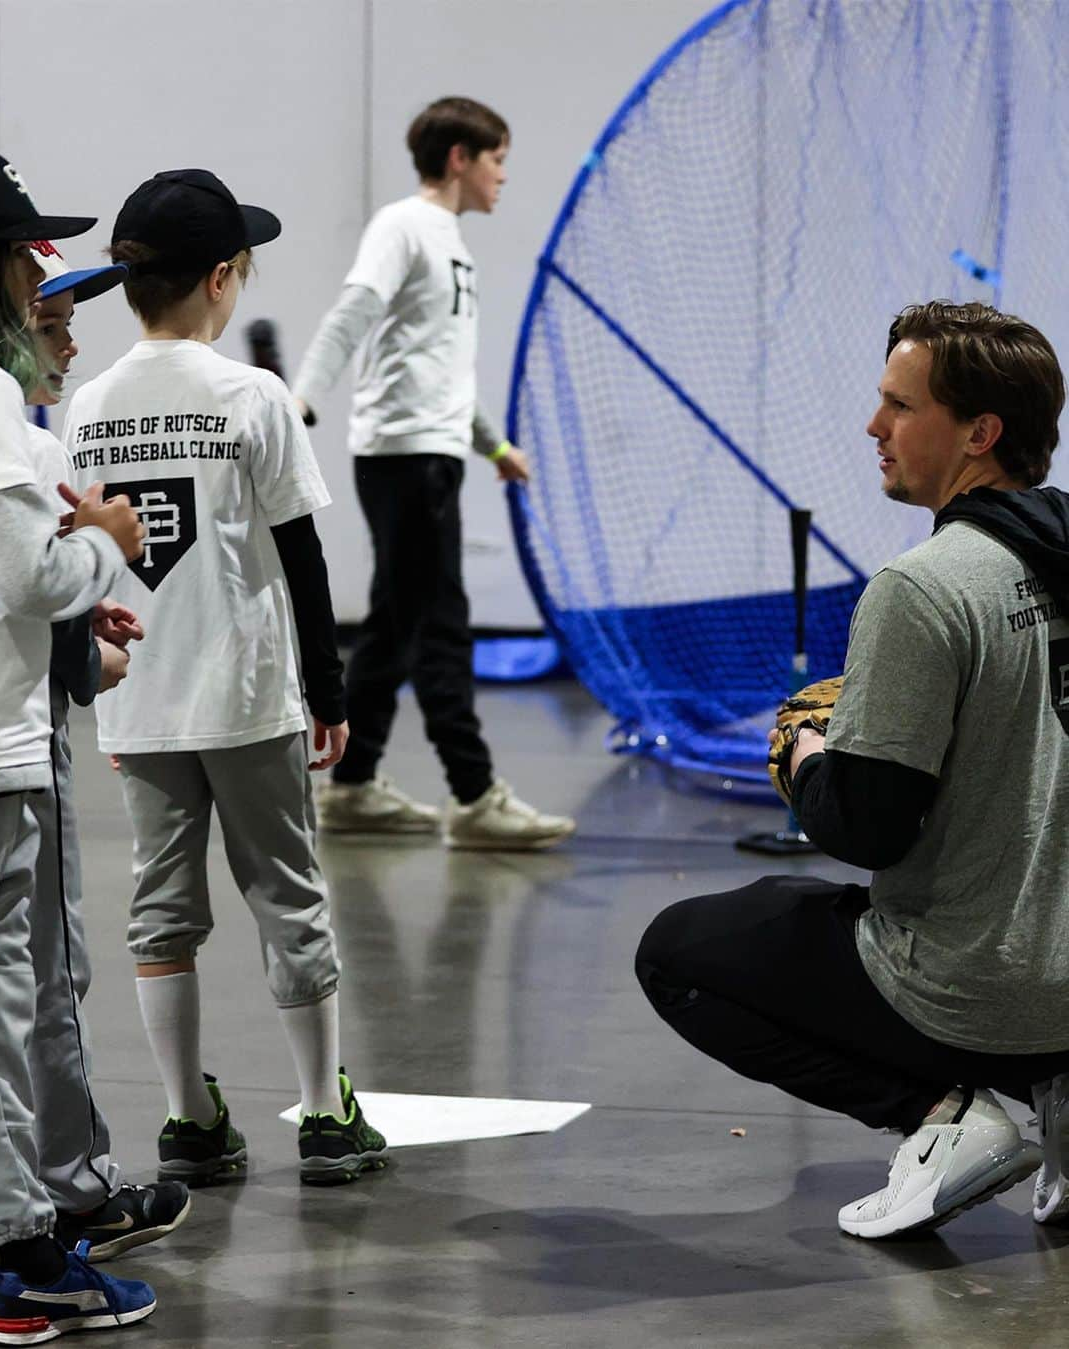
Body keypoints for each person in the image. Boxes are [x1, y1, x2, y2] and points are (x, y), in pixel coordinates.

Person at [636, 300, 1069, 1240]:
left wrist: (807, 750)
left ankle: (948, 1116)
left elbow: (863, 828)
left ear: (980, 433)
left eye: (900, 407)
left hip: (975, 991)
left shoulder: (923, 589)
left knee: (678, 952)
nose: (875, 427)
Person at [63, 168, 387, 1187]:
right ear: (221, 279)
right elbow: (303, 556)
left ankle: (186, 1119)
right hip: (247, 697)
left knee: (161, 909)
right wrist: (331, 696)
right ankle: (326, 1113)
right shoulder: (252, 396)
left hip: (140, 696)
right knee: (288, 894)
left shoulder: (87, 403)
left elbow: (80, 555)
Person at [293, 96, 575, 850]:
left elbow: (440, 369)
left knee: (393, 625)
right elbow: (351, 312)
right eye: (497, 159)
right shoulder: (405, 225)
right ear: (459, 157)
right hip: (406, 457)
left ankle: (349, 785)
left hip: (432, 453)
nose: (503, 177)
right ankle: (476, 796)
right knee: (441, 626)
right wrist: (301, 397)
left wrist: (492, 445)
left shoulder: (449, 240)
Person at [0, 151, 155, 1339]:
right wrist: (105, 540)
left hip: (13, 719)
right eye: (26, 270)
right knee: (18, 994)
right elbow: (31, 569)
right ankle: (21, 1241)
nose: (50, 312)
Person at [24, 240, 192, 1261]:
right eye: (49, 322)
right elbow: (32, 590)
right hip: (10, 756)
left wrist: (82, 627)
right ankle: (61, 1210)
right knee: (42, 983)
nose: (72, 339)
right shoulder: (19, 446)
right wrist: (105, 556)